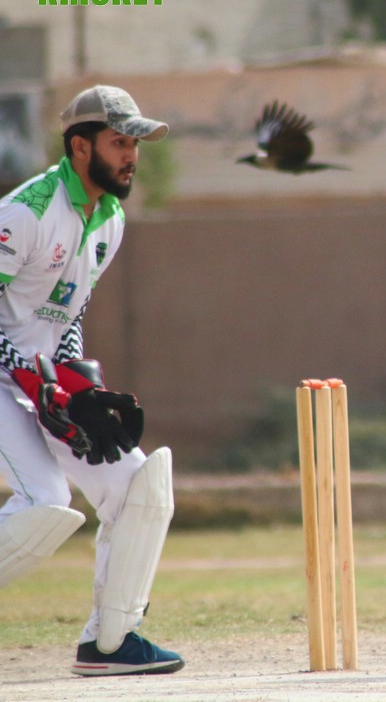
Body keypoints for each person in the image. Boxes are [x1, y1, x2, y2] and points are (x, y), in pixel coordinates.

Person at [0, 85, 184, 676]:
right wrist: (30, 376)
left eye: (134, 144)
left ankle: (110, 643)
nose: (131, 156)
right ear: (80, 147)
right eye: (119, 142)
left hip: (39, 382)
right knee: (46, 503)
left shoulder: (110, 219)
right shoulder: (26, 212)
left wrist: (75, 384)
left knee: (138, 487)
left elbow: (68, 313)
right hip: (9, 380)